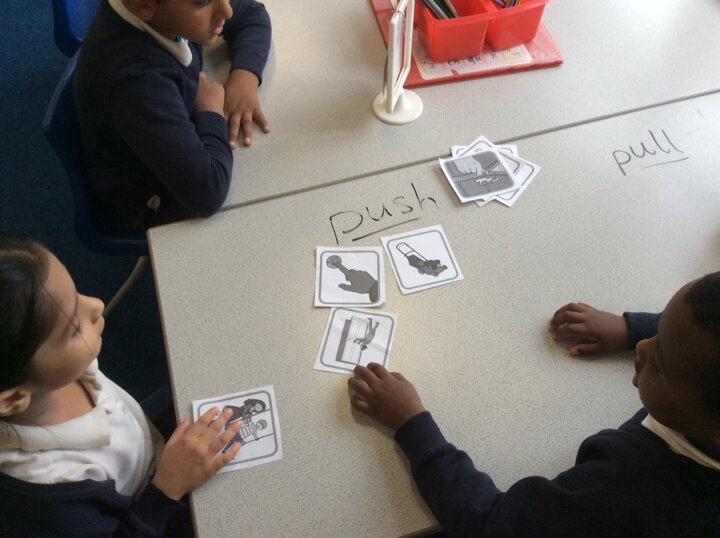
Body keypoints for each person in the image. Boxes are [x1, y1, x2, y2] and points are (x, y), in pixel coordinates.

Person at [348, 273, 720, 537]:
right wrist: (631, 328)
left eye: (661, 361)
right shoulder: (700, 408)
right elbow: (694, 334)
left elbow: (490, 525)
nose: (642, 347)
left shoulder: (630, 498)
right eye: (656, 333)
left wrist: (412, 423)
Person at [0, 232, 243, 536]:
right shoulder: (51, 497)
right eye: (74, 325)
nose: (97, 305)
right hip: (157, 509)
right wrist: (167, 487)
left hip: (157, 460)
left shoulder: (54, 375)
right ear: (12, 400)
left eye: (77, 293)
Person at [75, 0, 272, 230]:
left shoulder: (166, 15)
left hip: (172, 146)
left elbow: (252, 13)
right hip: (155, 199)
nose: (226, 11)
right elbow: (207, 192)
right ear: (140, 5)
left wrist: (244, 77)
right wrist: (210, 110)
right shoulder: (138, 81)